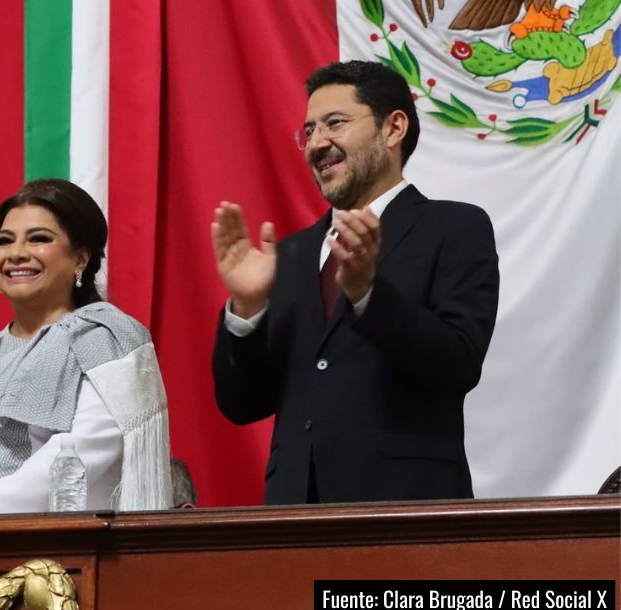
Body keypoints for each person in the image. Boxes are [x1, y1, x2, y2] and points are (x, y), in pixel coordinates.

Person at [210, 60, 500, 505]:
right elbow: (242, 404)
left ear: (393, 128)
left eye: (335, 123)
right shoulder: (288, 255)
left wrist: (369, 294)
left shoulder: (455, 227)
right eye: (308, 131)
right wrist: (247, 311)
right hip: (293, 520)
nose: (316, 144)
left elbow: (457, 363)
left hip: (405, 515)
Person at [0, 179, 173, 515]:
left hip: (52, 538)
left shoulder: (103, 335)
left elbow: (84, 448)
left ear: (80, 260)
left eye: (39, 239)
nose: (16, 254)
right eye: (5, 241)